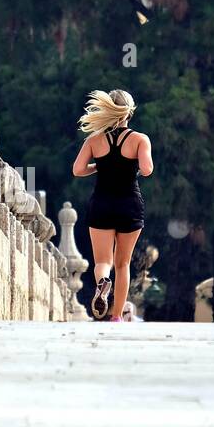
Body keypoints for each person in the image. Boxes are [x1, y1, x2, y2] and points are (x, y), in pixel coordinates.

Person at [72, 90, 154, 321]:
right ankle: (116, 316)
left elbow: (78, 170)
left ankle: (102, 283)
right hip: (129, 204)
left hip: (102, 204)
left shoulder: (94, 140)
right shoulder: (140, 139)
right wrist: (133, 162)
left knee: (103, 262)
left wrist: (99, 167)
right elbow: (147, 170)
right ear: (130, 111)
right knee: (123, 263)